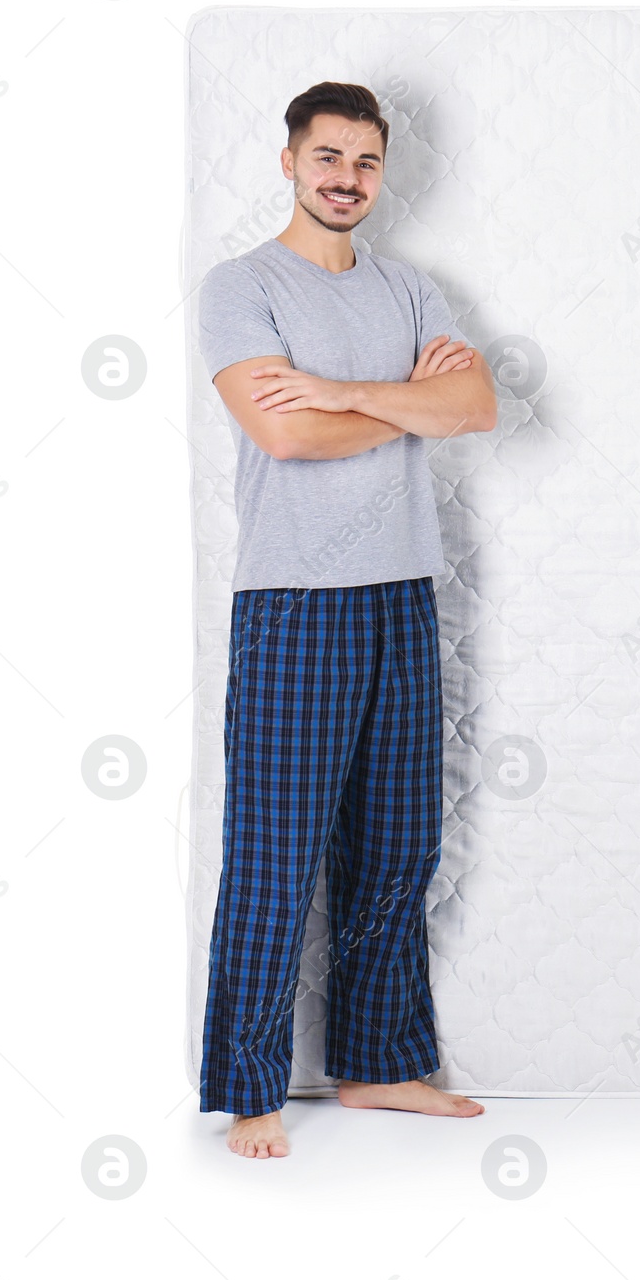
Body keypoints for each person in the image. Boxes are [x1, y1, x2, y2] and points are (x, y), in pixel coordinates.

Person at [196, 81, 498, 1158]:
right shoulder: (241, 287)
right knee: (277, 851)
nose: (345, 179)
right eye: (327, 157)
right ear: (288, 160)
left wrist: (336, 391)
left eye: (364, 163)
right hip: (292, 601)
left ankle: (377, 1067)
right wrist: (394, 404)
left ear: (382, 172)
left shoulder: (412, 291)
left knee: (399, 843)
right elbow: (282, 440)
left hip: (402, 591)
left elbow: (473, 408)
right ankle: (251, 1090)